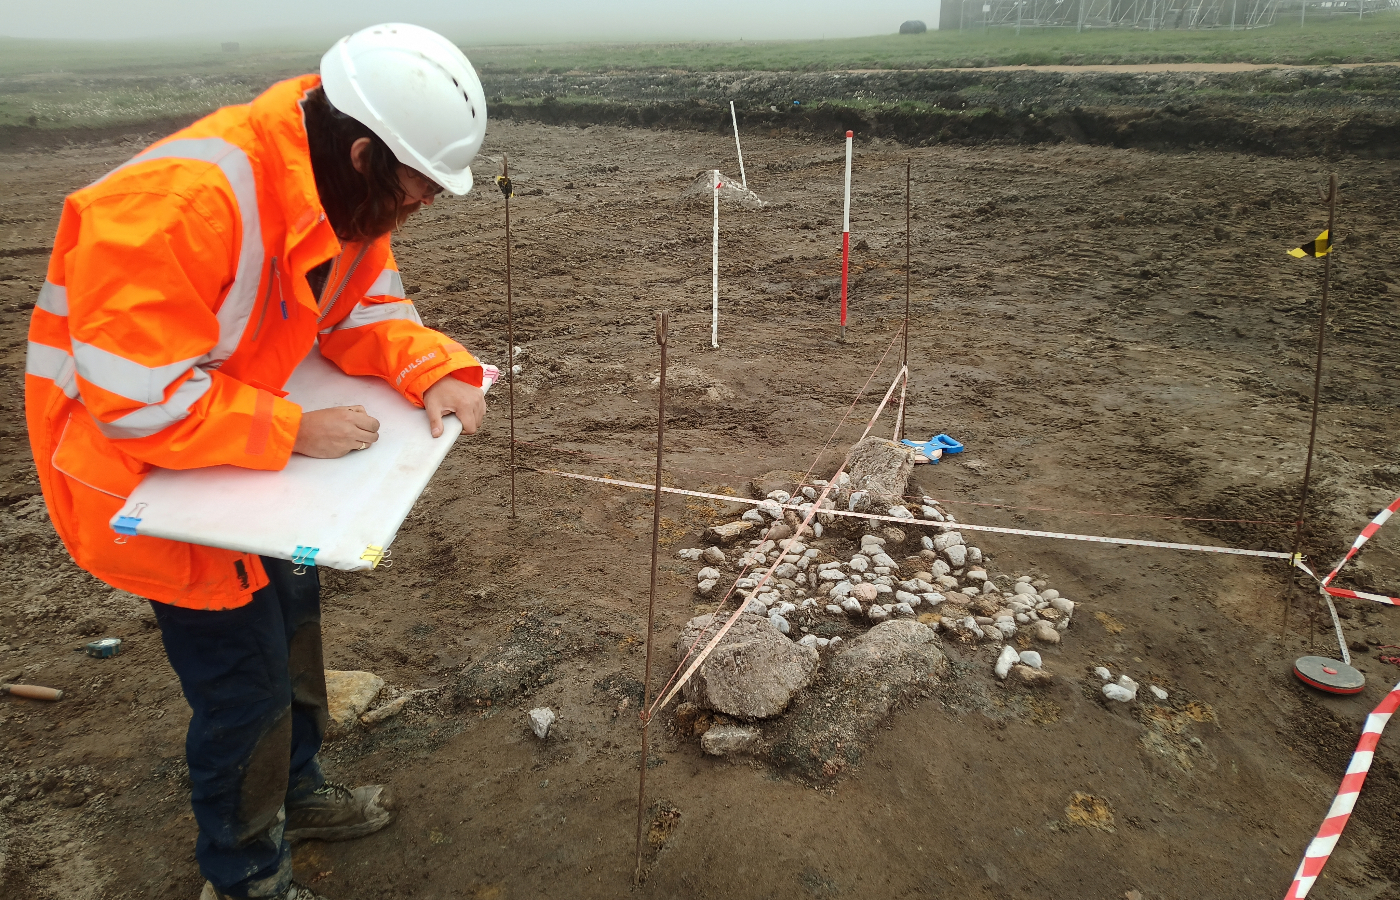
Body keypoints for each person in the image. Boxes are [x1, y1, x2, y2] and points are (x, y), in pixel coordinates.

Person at [24, 24, 491, 900]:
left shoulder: (336, 199)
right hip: (154, 487)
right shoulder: (177, 205)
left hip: (244, 478)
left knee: (293, 633)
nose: (419, 208)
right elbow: (138, 401)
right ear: (363, 154)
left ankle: (300, 792)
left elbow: (364, 312)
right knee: (243, 690)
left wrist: (432, 370)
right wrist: (287, 430)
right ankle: (243, 874)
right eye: (419, 189)